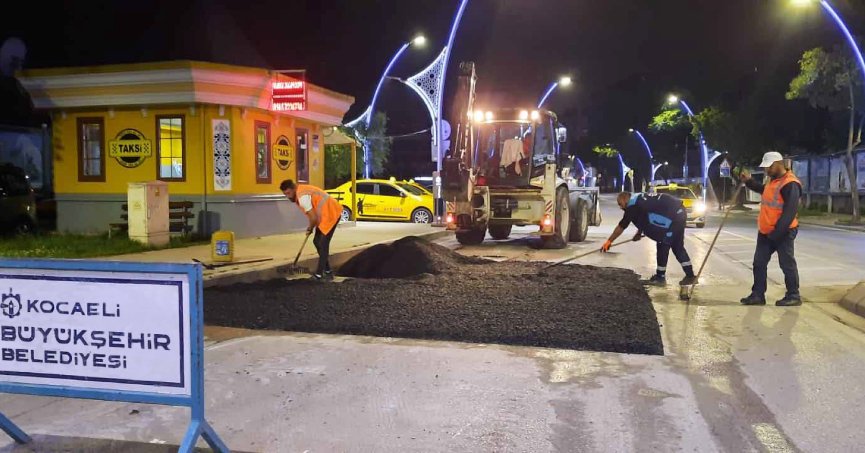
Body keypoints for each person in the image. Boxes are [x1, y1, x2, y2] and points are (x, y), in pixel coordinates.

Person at [738, 151, 802, 306]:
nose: (766, 170)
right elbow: (764, 191)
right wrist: (749, 181)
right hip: (766, 231)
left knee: (786, 264)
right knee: (759, 263)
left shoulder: (790, 183)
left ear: (779, 164)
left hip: (783, 232)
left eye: (769, 167)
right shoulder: (772, 181)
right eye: (765, 167)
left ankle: (794, 295)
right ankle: (758, 295)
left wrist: (777, 234)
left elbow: (789, 212)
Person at [602, 191, 697, 286]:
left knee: (663, 244)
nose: (621, 207)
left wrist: (609, 241)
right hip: (679, 211)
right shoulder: (638, 199)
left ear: (625, 199)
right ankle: (689, 276)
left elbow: (622, 226)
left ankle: (662, 278)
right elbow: (643, 216)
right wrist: (639, 233)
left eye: (620, 204)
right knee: (677, 246)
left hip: (674, 217)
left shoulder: (632, 206)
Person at [280, 179, 342, 281]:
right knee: (317, 241)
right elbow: (313, 215)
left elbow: (313, 218)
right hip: (324, 215)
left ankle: (319, 274)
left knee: (323, 243)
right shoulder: (301, 192)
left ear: (294, 189)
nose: (288, 196)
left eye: (288, 193)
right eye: (285, 194)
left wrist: (310, 227)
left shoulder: (302, 197)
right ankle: (327, 271)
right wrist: (311, 226)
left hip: (331, 213)